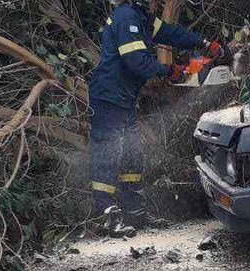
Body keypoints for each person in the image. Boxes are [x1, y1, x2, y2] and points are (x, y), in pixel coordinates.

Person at [88, 0, 227, 234]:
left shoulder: (143, 18)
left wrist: (203, 43)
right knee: (107, 152)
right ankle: (108, 216)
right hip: (108, 97)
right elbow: (136, 62)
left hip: (125, 97)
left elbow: (171, 33)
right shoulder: (126, 17)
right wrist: (170, 71)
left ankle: (135, 215)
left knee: (132, 154)